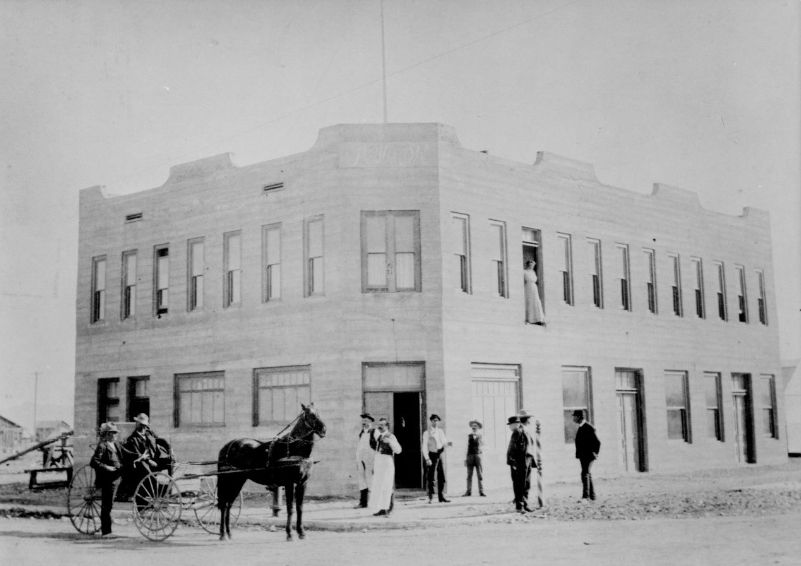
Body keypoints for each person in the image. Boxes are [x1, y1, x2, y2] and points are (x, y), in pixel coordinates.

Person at [90, 422, 123, 536]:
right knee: (107, 505)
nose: (116, 435)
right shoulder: (102, 446)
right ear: (108, 434)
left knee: (109, 504)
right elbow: (94, 462)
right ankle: (106, 531)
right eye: (114, 433)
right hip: (108, 480)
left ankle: (107, 529)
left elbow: (126, 453)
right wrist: (107, 467)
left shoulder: (116, 445)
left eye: (116, 433)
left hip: (117, 477)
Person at [369, 417, 402, 517]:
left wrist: (390, 442)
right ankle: (382, 508)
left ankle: (389, 509)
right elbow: (376, 452)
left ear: (387, 426)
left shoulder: (391, 436)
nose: (380, 426)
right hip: (379, 462)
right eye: (379, 424)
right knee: (379, 485)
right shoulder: (378, 437)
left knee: (387, 486)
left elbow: (399, 450)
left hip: (387, 462)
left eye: (382, 425)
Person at [506, 415, 533, 513]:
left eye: (510, 425)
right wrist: (513, 462)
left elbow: (513, 448)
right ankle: (520, 506)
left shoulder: (519, 431)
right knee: (520, 484)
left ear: (516, 424)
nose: (509, 427)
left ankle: (524, 504)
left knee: (525, 484)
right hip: (520, 462)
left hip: (524, 461)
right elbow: (511, 449)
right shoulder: (518, 431)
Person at [421, 414, 450, 503]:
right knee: (431, 477)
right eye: (434, 420)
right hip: (432, 455)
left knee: (441, 476)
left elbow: (444, 442)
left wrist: (448, 444)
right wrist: (427, 458)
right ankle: (430, 497)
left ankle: (441, 497)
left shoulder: (440, 431)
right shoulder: (426, 433)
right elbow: (424, 446)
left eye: (437, 420)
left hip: (439, 454)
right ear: (431, 421)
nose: (435, 422)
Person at [573, 409, 601, 501]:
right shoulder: (581, 427)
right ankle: (592, 496)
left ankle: (586, 496)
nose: (573, 418)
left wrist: (595, 453)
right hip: (583, 456)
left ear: (579, 417)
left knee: (585, 474)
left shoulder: (588, 427)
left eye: (574, 416)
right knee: (587, 473)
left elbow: (597, 442)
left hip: (588, 456)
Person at [355, 412, 378, 508]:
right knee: (362, 480)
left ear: (371, 422)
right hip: (361, 459)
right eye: (363, 421)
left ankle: (374, 502)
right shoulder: (361, 433)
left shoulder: (374, 432)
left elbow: (378, 446)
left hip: (370, 460)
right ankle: (363, 503)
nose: (364, 422)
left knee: (370, 479)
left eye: (366, 421)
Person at [463, 420, 485, 497]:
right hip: (470, 456)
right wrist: (465, 459)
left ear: (478, 427)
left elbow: (484, 445)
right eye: (472, 426)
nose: (474, 427)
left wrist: (481, 454)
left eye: (475, 426)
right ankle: (468, 491)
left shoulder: (481, 436)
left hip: (478, 456)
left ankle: (481, 491)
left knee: (479, 474)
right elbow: (465, 447)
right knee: (469, 475)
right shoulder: (468, 435)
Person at [523, 260, 546, 325]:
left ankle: (538, 318)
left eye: (533, 265)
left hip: (534, 287)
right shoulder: (524, 271)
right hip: (528, 287)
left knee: (536, 301)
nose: (532, 266)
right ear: (528, 265)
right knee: (530, 301)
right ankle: (530, 319)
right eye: (531, 265)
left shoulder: (533, 272)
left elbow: (535, 279)